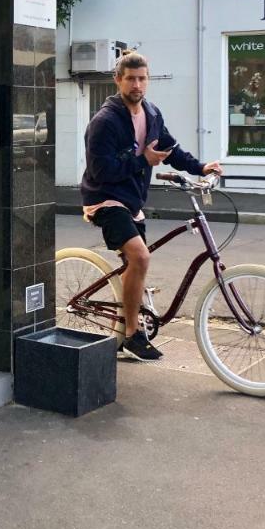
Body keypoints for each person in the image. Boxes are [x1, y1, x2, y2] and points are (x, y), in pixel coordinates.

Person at [80, 51, 222, 361]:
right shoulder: (104, 122)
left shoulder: (152, 114)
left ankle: (121, 329)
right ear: (118, 80)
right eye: (130, 78)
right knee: (140, 258)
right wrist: (142, 160)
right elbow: (100, 171)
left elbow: (170, 150)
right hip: (104, 197)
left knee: (136, 264)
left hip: (132, 199)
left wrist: (200, 168)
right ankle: (133, 334)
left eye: (142, 78)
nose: (137, 85)